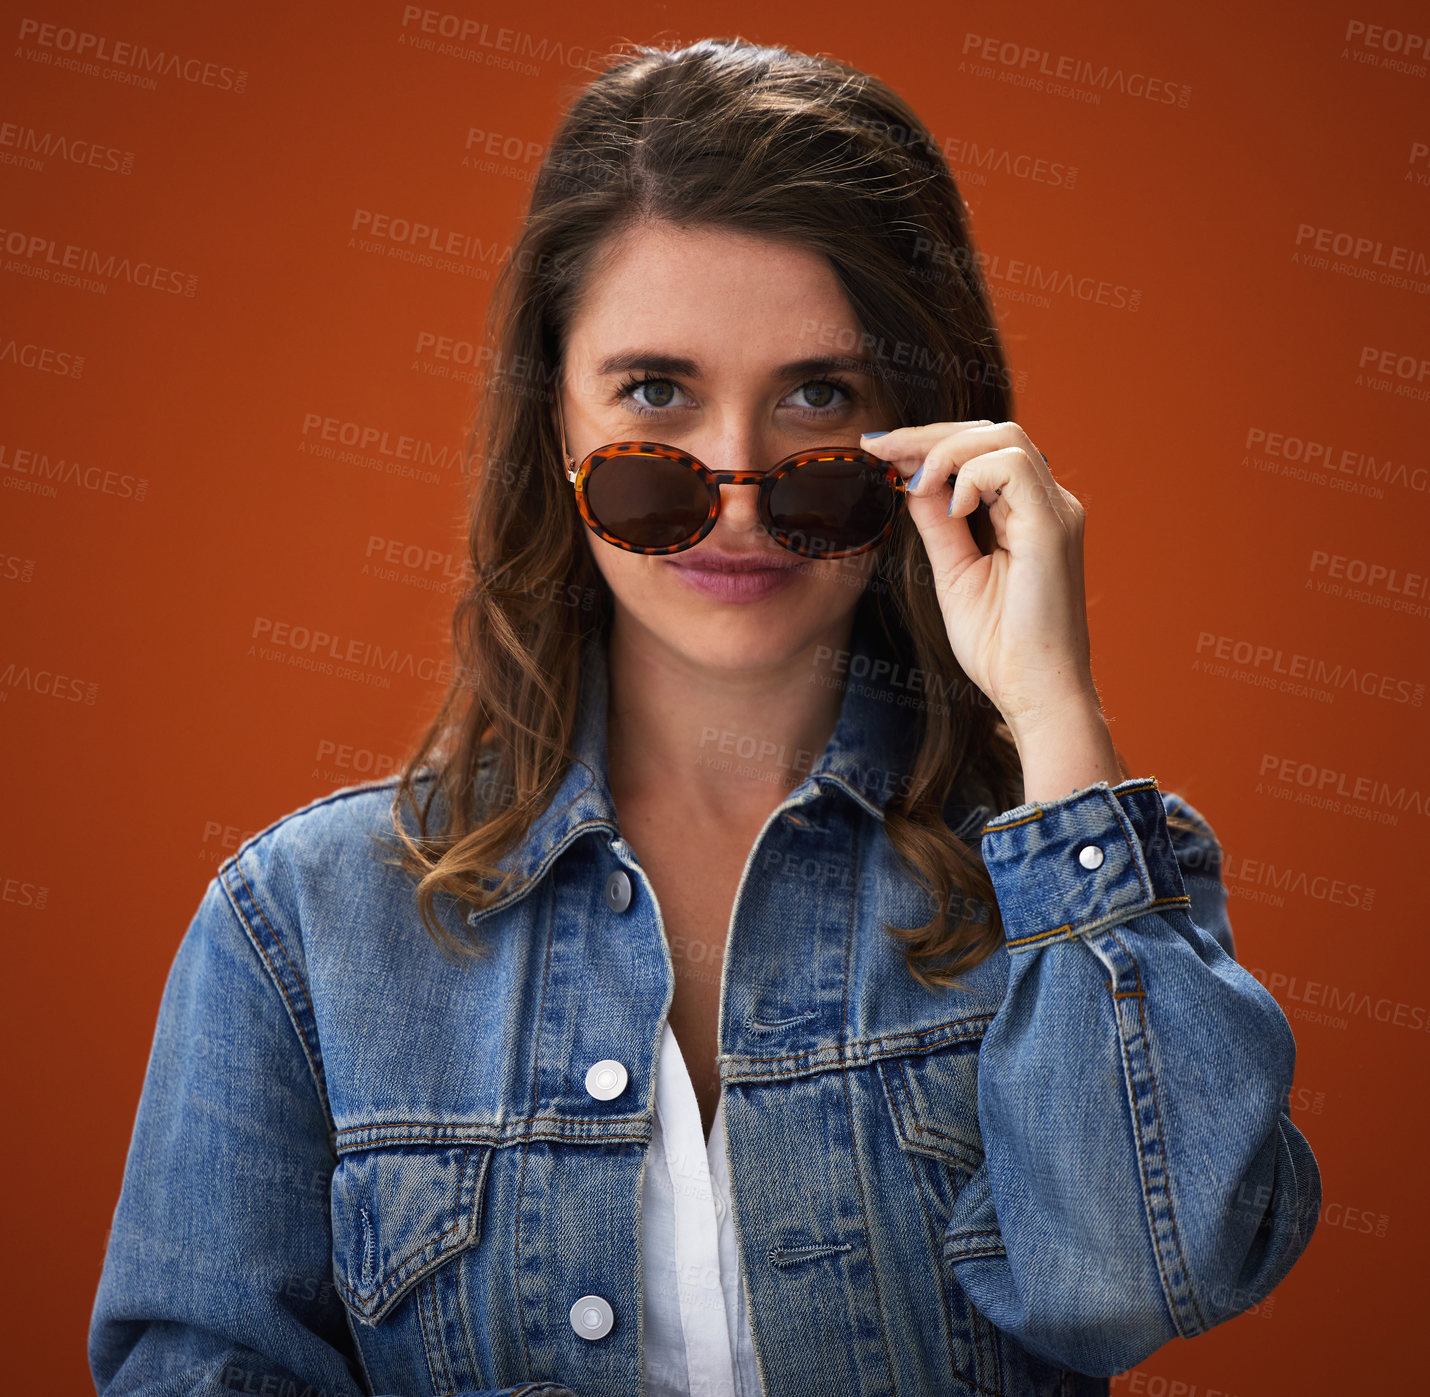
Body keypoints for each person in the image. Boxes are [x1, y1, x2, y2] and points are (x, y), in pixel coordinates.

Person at [89, 36, 1321, 1397]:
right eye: (656, 394)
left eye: (819, 396)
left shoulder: (1079, 886)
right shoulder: (299, 928)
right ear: (552, 425)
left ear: (928, 430)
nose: (738, 493)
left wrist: (1050, 706)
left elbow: (1130, 1280)